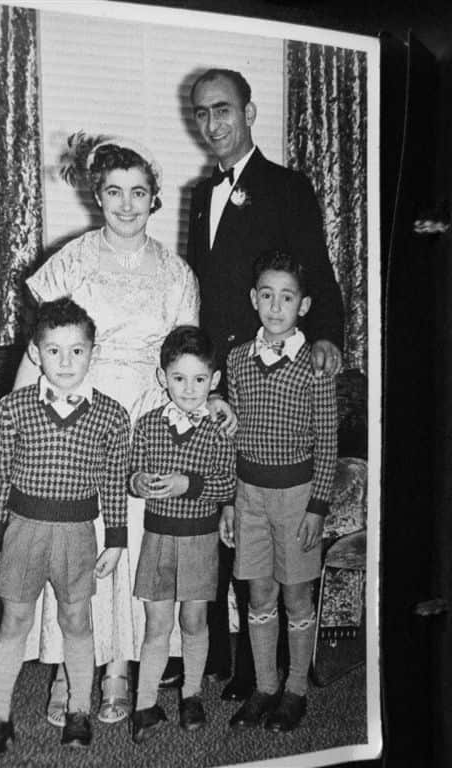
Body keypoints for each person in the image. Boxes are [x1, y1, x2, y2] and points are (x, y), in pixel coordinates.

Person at [0, 134, 204, 725]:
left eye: (138, 192)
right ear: (99, 196)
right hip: (75, 408)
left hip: (146, 413)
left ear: (153, 199)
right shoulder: (73, 258)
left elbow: (186, 357)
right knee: (77, 538)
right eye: (115, 191)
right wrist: (11, 419)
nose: (126, 204)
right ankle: (68, 670)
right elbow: (40, 348)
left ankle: (119, 671)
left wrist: (198, 417)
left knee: (133, 541)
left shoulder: (175, 272)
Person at [185, 67, 344, 699]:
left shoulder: (286, 185)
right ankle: (231, 661)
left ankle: (270, 674)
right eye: (201, 113)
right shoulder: (202, 192)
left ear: (249, 113)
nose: (212, 123)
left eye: (223, 109)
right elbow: (202, 289)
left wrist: (328, 332)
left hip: (269, 371)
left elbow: (316, 267)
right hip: (223, 376)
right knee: (233, 525)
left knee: (271, 547)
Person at [0, 298, 130, 757]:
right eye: (54, 350)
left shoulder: (111, 415)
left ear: (92, 353)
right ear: (35, 352)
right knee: (14, 621)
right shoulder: (13, 407)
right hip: (23, 531)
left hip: (77, 535)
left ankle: (79, 710)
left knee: (76, 620)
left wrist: (117, 540)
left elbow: (113, 482)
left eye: (77, 351)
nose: (66, 362)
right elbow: (0, 473)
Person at [221, 251, 337, 732]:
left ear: (303, 305)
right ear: (254, 299)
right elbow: (230, 433)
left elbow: (327, 441)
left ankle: (294, 690)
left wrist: (317, 506)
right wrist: (228, 498)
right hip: (249, 495)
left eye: (286, 297)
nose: (275, 306)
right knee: (259, 592)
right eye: (266, 295)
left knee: (295, 596)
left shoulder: (315, 365)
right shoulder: (237, 361)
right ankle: (265, 686)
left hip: (296, 498)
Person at [128, 326, 236, 743]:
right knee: (157, 622)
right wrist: (138, 480)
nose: (189, 389)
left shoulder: (217, 429)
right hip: (158, 539)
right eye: (178, 378)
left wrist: (186, 484)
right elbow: (131, 471)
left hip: (199, 540)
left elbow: (226, 484)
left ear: (215, 381)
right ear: (162, 378)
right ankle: (144, 703)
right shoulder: (149, 424)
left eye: (199, 379)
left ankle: (191, 695)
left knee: (193, 618)